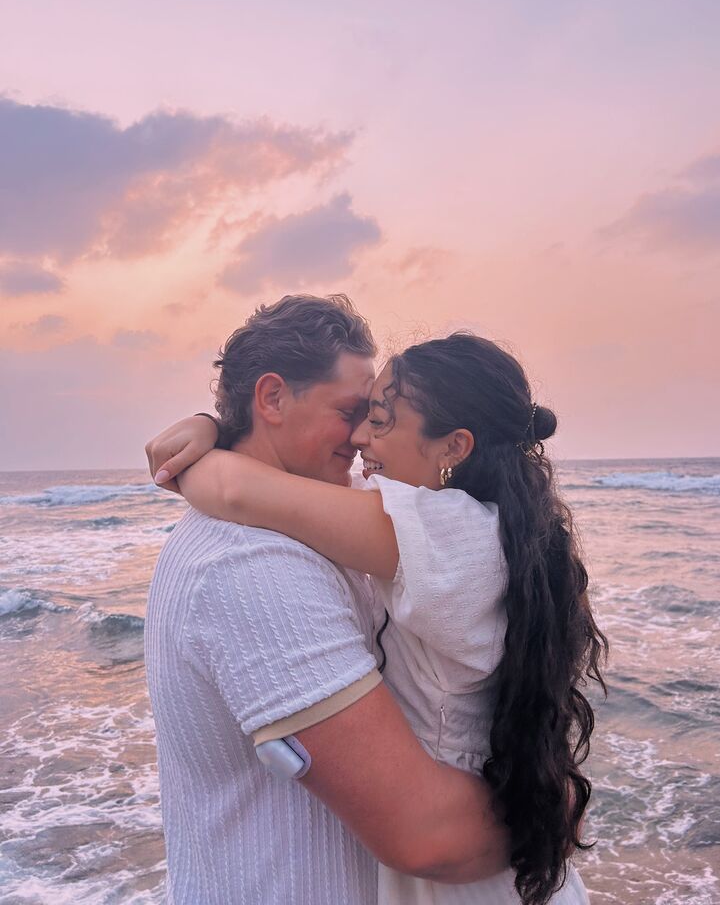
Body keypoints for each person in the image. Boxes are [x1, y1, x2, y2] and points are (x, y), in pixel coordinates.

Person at [147, 322, 608, 905]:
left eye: (378, 418)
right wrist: (213, 425)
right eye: (352, 410)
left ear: (454, 446)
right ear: (270, 398)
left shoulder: (437, 535)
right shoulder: (273, 555)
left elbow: (236, 488)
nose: (362, 434)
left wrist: (205, 445)